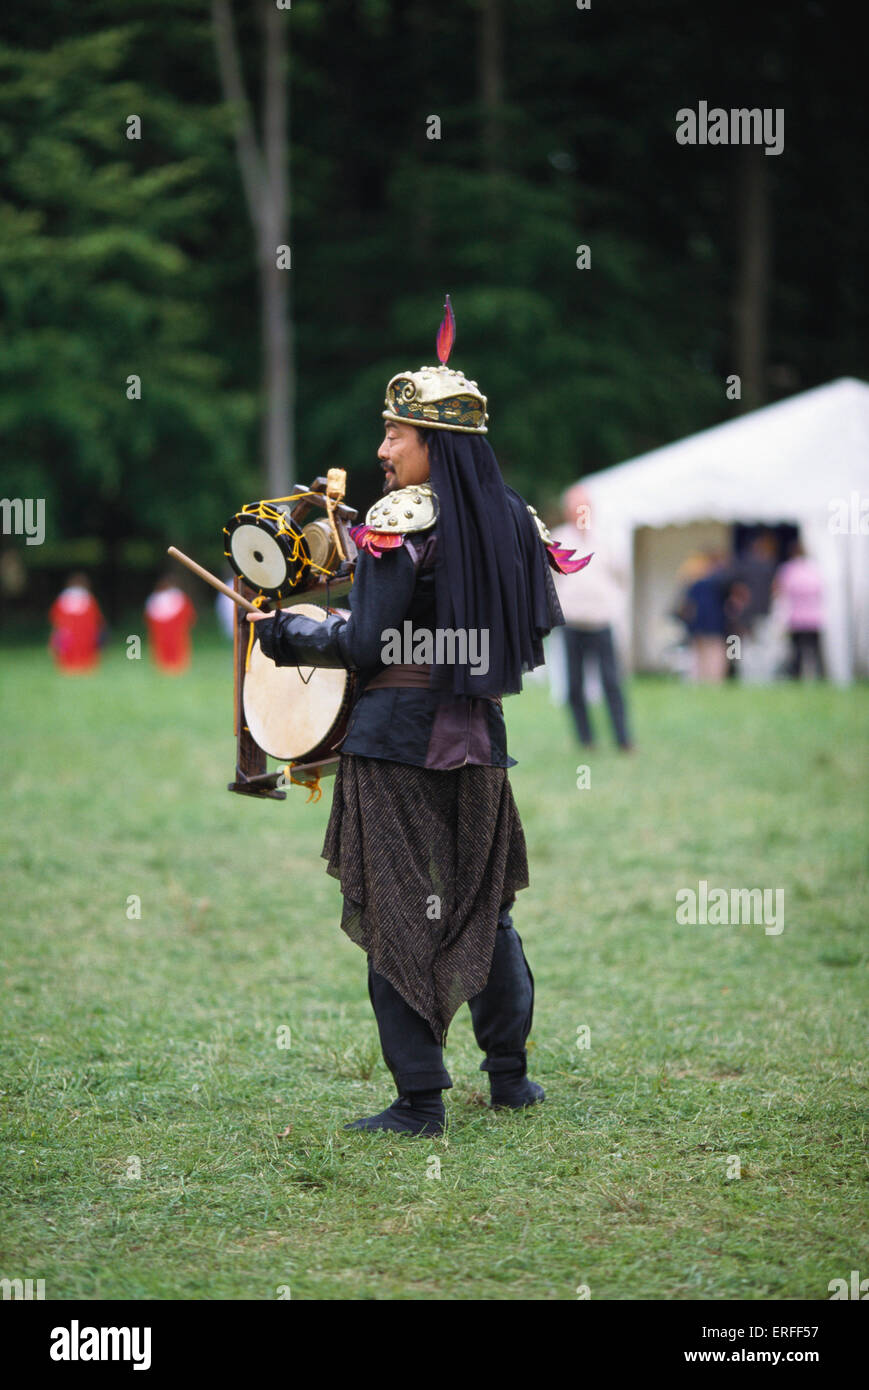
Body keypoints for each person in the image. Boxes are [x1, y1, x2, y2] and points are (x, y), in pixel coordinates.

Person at [247, 298, 589, 1136]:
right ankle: (509, 1080)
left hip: (397, 743)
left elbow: (367, 644)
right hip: (477, 738)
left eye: (394, 435)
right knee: (484, 910)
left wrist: (288, 630)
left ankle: (419, 1102)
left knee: (400, 911)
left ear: (432, 443)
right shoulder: (513, 520)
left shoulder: (403, 518)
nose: (381, 451)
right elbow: (529, 625)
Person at [548, 484, 632, 749]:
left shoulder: (607, 540)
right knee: (574, 685)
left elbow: (622, 578)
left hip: (601, 621)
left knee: (612, 682)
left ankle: (623, 739)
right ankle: (586, 740)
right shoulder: (558, 540)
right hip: (572, 623)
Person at [774, 540, 826, 679]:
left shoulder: (788, 569)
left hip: (796, 618)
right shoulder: (815, 569)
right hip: (814, 617)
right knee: (814, 651)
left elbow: (780, 592)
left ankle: (796, 677)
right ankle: (818, 676)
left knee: (796, 652)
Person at [48, 572, 105, 673]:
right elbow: (97, 620)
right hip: (84, 636)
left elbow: (56, 620)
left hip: (69, 635)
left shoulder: (63, 599)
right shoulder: (89, 599)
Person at [144, 577, 196, 672]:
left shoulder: (176, 597)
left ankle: (175, 665)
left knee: (175, 644)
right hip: (168, 628)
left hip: (173, 628)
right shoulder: (158, 598)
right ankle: (168, 665)